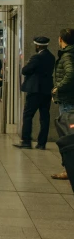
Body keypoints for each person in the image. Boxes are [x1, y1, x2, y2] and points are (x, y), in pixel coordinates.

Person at [14, 36, 55, 150]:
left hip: (35, 90)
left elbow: (25, 70)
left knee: (28, 115)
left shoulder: (36, 57)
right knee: (44, 116)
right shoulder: (51, 57)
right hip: (46, 90)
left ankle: (26, 141)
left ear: (37, 46)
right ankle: (42, 143)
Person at [52, 29, 74, 180]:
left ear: (61, 39)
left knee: (68, 137)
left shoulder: (67, 55)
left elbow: (70, 73)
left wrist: (58, 87)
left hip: (67, 100)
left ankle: (68, 169)